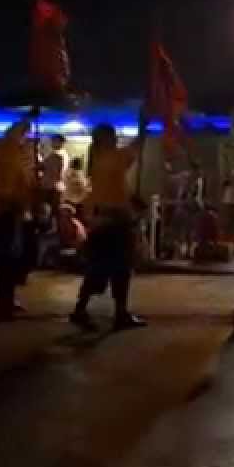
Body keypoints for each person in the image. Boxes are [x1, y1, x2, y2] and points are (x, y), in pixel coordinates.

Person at [69, 121, 147, 332]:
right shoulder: (111, 159)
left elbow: (119, 187)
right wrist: (143, 125)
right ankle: (111, 312)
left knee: (101, 268)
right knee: (116, 269)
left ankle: (86, 309)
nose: (115, 139)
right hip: (114, 222)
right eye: (112, 136)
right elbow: (135, 148)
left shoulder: (99, 161)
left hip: (105, 220)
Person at [0, 113, 39, 318]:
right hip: (7, 211)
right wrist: (27, 118)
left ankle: (8, 299)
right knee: (7, 258)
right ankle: (4, 302)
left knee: (16, 257)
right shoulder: (8, 155)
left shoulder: (17, 158)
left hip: (16, 211)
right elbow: (9, 189)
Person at [39, 134, 68, 212]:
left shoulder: (59, 155)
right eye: (52, 141)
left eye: (54, 141)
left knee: (49, 210)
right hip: (51, 186)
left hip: (52, 187)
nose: (51, 143)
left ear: (60, 143)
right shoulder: (54, 154)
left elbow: (57, 172)